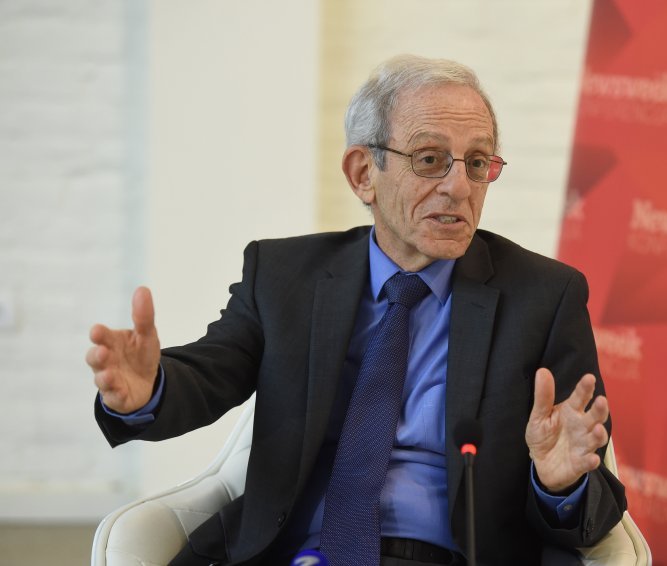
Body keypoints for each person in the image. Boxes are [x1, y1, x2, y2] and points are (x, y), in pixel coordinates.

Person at [87, 55, 626, 566]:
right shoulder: (284, 276)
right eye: (431, 159)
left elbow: (593, 498)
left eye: (478, 163)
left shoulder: (544, 297)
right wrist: (148, 391)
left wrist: (560, 483)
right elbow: (209, 375)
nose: (460, 186)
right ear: (363, 172)